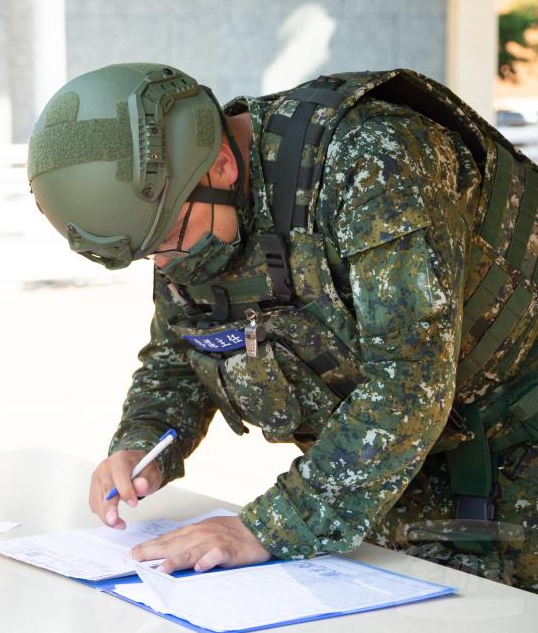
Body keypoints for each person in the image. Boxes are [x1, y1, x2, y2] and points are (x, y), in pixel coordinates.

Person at [27, 63, 537, 593]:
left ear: (222, 164)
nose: (163, 265)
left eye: (168, 238)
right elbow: (182, 347)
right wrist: (142, 445)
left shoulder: (374, 159)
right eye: (144, 253)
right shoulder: (182, 207)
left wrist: (263, 528)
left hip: (515, 462)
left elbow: (409, 384)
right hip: (396, 478)